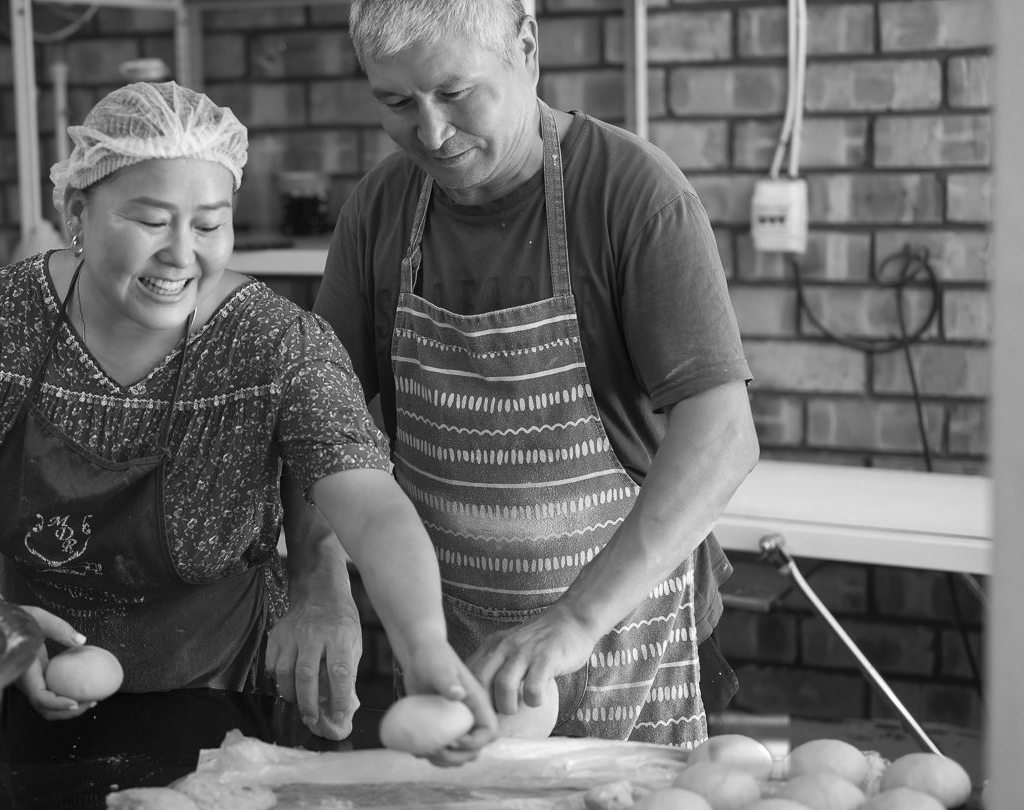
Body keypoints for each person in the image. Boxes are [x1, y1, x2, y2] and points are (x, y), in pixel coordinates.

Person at [0, 81, 494, 756]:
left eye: (208, 225)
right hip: (22, 673)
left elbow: (372, 507)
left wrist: (424, 645)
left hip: (224, 696)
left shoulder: (275, 343)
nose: (181, 254)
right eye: (151, 222)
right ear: (78, 212)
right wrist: (4, 627)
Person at [277, 0, 759, 749]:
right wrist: (318, 580)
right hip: (451, 648)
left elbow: (722, 437)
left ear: (526, 47)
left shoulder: (631, 193)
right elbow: (321, 422)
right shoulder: (378, 212)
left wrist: (576, 619)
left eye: (456, 93)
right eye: (397, 103)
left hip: (619, 634)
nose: (431, 134)